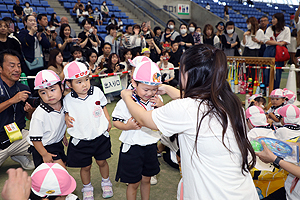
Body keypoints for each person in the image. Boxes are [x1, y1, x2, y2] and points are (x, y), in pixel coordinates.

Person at [120, 44, 259, 199]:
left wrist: (126, 96)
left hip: (212, 194)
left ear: (190, 74)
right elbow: (195, 101)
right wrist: (165, 88)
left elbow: (142, 118)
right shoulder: (230, 101)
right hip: (243, 191)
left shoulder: (186, 108)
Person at [113, 61, 162, 200]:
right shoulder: (126, 100)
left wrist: (161, 105)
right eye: (146, 89)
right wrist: (127, 126)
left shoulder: (156, 99)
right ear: (134, 83)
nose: (150, 93)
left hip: (151, 145)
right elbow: (115, 121)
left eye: (154, 89)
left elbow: (162, 119)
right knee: (133, 183)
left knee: (146, 180)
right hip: (132, 148)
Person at [63, 61, 113, 199]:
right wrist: (66, 117)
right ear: (69, 84)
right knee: (85, 166)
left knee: (102, 161)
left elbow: (103, 106)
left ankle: (106, 181)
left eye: (86, 79)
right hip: (81, 139)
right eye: (79, 82)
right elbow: (66, 112)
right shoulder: (67, 99)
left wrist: (108, 120)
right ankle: (87, 187)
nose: (84, 84)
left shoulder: (96, 91)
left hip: (100, 135)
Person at [0, 49, 35, 170]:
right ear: (0, 68)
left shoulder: (23, 88)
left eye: (19, 66)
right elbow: (12, 101)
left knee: (44, 141)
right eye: (12, 65)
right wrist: (11, 101)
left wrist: (29, 111)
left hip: (17, 136)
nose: (17, 69)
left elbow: (30, 117)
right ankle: (15, 153)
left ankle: (18, 154)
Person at [28, 70, 67, 168]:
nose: (49, 95)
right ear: (39, 95)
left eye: (52, 89)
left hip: (56, 143)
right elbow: (34, 139)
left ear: (61, 88)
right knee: (60, 171)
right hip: (43, 147)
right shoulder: (39, 114)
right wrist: (44, 154)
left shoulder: (65, 104)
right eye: (43, 92)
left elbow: (59, 122)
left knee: (62, 167)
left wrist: (63, 135)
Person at [19, 15, 51, 92]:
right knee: (30, 84)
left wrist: (40, 38)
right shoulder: (22, 32)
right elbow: (26, 43)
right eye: (30, 20)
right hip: (28, 63)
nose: (33, 22)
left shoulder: (39, 33)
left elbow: (47, 45)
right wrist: (31, 33)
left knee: (40, 84)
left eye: (34, 20)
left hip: (40, 62)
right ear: (25, 23)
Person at [263, 13, 291, 89]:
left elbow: (286, 41)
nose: (272, 21)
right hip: (269, 51)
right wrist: (278, 43)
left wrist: (276, 43)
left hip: (279, 52)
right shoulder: (269, 29)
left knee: (277, 71)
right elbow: (266, 40)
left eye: (274, 19)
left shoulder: (286, 29)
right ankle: (266, 88)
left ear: (279, 20)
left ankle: (275, 89)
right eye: (272, 19)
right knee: (267, 71)